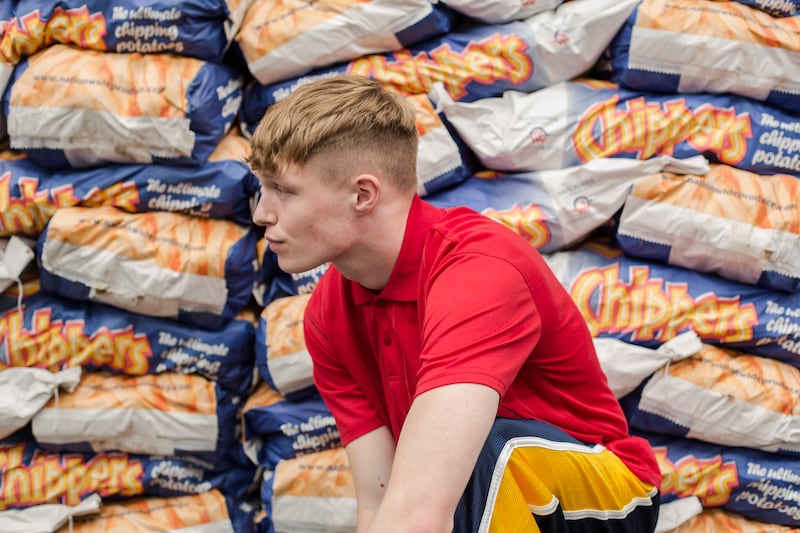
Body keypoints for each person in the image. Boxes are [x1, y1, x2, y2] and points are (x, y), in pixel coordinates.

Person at [248, 74, 661, 533]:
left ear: (363, 195)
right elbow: (380, 499)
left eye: (283, 190)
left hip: (608, 495)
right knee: (432, 474)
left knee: (479, 455)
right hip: (481, 500)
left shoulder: (478, 270)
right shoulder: (328, 315)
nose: (261, 213)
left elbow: (420, 509)